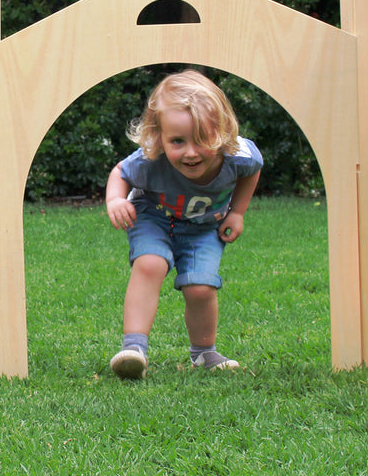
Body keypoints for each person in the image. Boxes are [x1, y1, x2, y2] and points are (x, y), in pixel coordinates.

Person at [105, 69, 262, 379]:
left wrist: (237, 212)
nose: (190, 152)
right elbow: (121, 172)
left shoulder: (238, 157)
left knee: (201, 288)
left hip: (204, 227)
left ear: (222, 133)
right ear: (158, 136)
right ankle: (134, 348)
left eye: (203, 140)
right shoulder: (151, 159)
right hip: (153, 217)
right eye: (177, 141)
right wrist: (115, 200)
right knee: (150, 264)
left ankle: (204, 353)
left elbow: (252, 172)